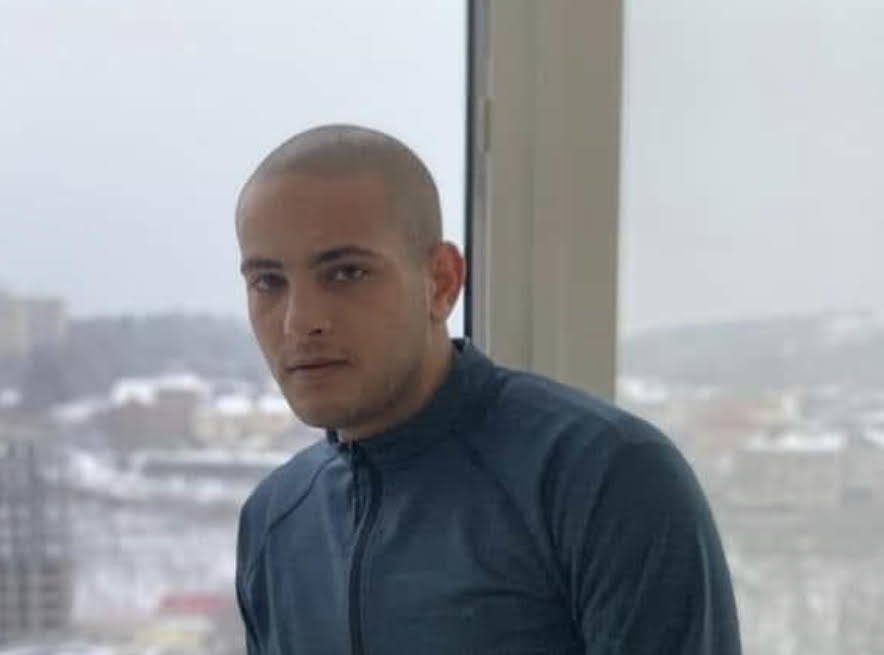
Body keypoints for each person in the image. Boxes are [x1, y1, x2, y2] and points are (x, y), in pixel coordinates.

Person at [234, 124, 742, 654]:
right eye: (268, 282)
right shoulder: (274, 520)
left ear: (442, 282)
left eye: (346, 274)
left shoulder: (604, 477)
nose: (300, 322)